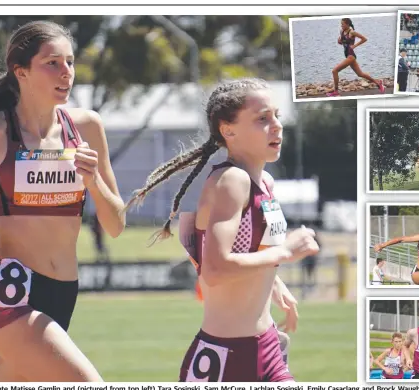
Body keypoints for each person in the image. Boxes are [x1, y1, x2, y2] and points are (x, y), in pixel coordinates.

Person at [0, 20, 126, 381]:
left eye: (70, 62)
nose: (66, 73)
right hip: (13, 295)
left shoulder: (87, 127)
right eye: (52, 63)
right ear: (21, 71)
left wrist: (93, 181)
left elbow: (116, 225)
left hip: (64, 294)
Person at [124, 78, 319, 382]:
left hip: (266, 346)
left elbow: (250, 250)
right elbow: (214, 270)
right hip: (225, 357)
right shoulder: (231, 181)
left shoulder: (264, 183)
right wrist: (286, 252)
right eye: (262, 119)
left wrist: (275, 284)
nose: (277, 126)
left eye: (277, 115)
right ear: (228, 130)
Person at [326, 18, 386, 97]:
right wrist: (339, 42)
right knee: (360, 74)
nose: (341, 26)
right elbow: (343, 43)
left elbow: (364, 39)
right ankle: (378, 82)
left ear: (347, 24)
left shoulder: (352, 32)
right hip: (348, 55)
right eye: (341, 24)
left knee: (335, 71)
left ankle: (336, 92)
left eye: (343, 24)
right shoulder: (342, 31)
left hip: (351, 56)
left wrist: (355, 45)